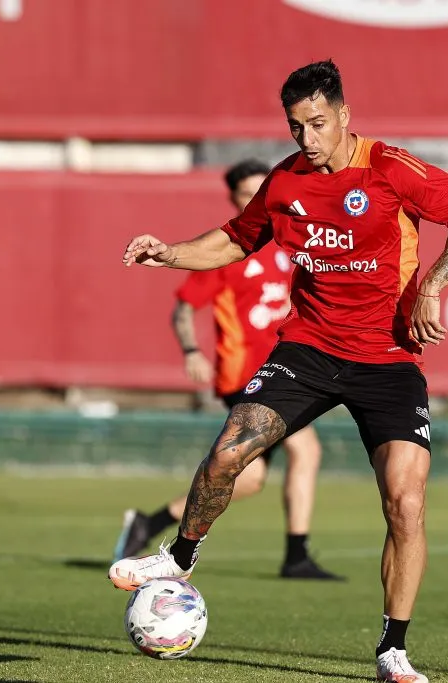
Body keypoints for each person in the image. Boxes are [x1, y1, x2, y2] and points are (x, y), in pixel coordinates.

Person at [110, 59, 448, 683]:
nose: (307, 139)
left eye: (318, 124)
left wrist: (433, 284)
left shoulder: (391, 169)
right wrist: (172, 254)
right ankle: (178, 558)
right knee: (227, 455)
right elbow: (240, 238)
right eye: (296, 127)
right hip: (309, 351)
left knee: (406, 502)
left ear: (345, 115)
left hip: (388, 361)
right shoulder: (286, 181)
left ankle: (393, 650)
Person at [113, 160, 342, 581]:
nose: (258, 199)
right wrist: (190, 349)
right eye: (246, 193)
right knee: (305, 449)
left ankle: (151, 524)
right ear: (235, 199)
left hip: (288, 370)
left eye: (262, 190)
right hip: (245, 375)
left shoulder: (291, 245)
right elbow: (184, 306)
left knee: (249, 479)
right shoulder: (231, 250)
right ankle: (296, 555)